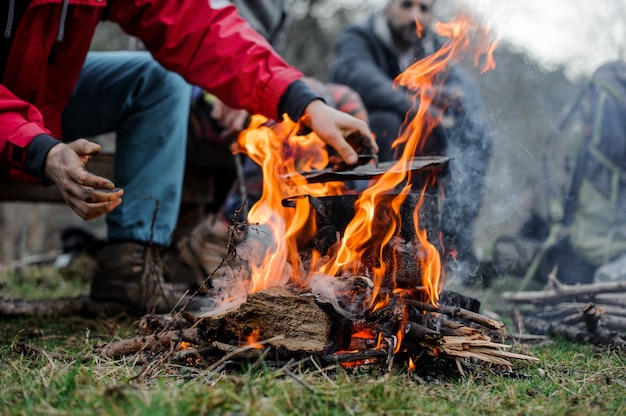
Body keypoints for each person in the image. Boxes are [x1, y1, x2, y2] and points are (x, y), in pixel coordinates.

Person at [0, 0, 376, 314]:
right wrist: (38, 149)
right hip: (14, 115)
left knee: (157, 80)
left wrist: (303, 103)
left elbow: (198, 25)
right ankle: (214, 240)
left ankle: (129, 271)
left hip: (44, 94)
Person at [329, 0, 493, 280]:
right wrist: (416, 102)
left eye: (424, 9)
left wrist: (455, 100)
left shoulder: (434, 48)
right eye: (406, 5)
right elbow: (357, 76)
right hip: (364, 147)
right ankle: (378, 237)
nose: (415, 16)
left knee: (476, 135)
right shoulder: (359, 37)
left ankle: (454, 247)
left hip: (420, 150)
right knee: (388, 122)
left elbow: (466, 91)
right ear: (388, 7)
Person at [492, 61, 626, 286]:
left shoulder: (583, 127)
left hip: (585, 251)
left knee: (508, 251)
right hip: (577, 249)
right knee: (505, 251)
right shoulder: (584, 136)